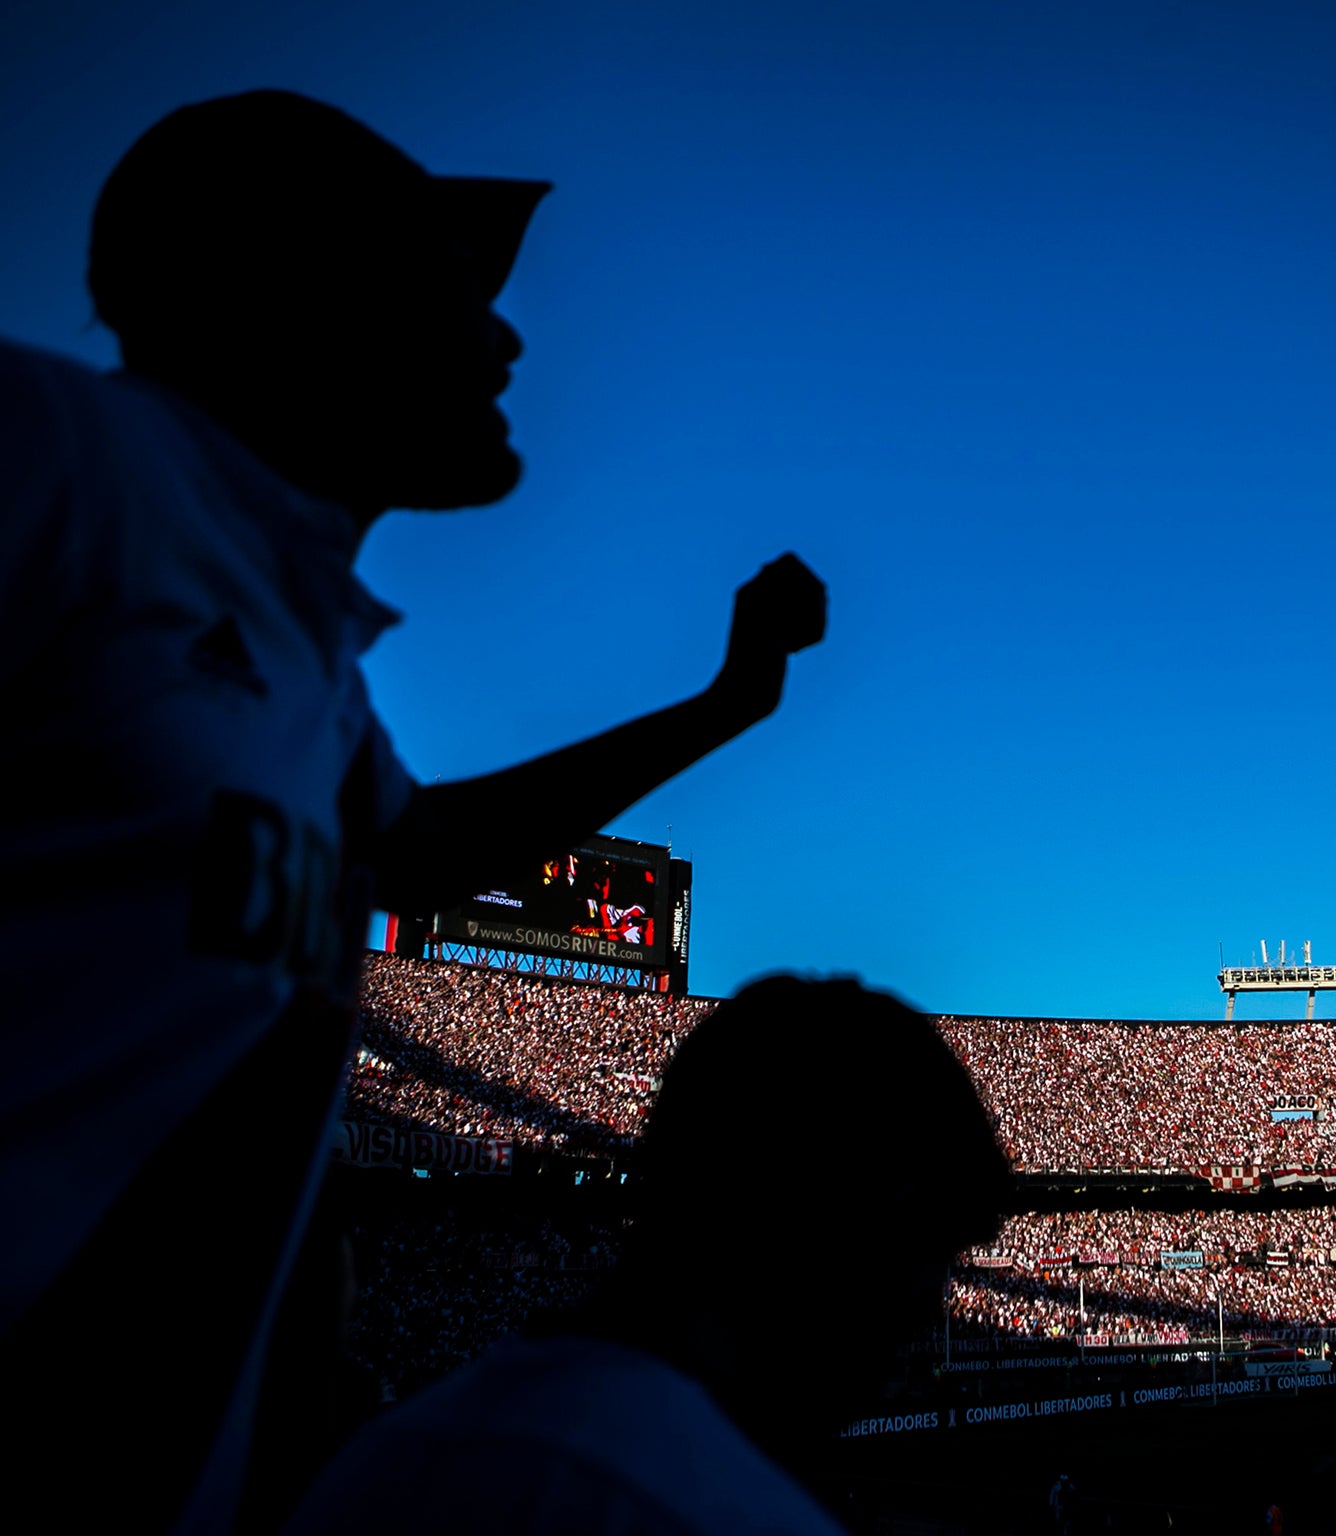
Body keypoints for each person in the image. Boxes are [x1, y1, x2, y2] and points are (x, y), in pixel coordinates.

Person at [0, 89, 825, 1533]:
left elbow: (431, 847)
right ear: (296, 291)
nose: (505, 339)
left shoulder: (297, 639)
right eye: (455, 288)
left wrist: (727, 701)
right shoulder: (62, 456)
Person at [285, 977, 1013, 1535]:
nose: (932, 1309)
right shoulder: (719, 1511)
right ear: (833, 1229)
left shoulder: (383, 1456)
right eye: (930, 1256)